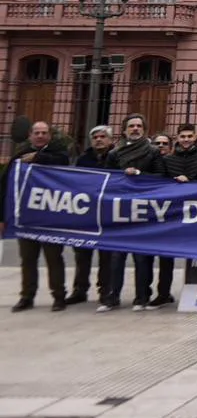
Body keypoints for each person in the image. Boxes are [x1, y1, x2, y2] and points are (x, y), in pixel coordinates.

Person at [3, 121, 71, 313]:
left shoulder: (59, 153)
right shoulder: (19, 157)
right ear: (30, 136)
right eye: (37, 133)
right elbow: (5, 187)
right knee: (28, 259)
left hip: (50, 218)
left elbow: (63, 162)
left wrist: (38, 158)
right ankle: (27, 296)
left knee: (54, 258)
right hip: (27, 219)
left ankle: (59, 296)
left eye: (44, 132)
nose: (40, 136)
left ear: (49, 135)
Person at [103, 113, 165, 312]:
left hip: (144, 211)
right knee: (116, 257)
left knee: (142, 257)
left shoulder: (152, 151)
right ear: (124, 130)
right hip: (120, 211)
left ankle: (142, 297)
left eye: (139, 125)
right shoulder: (114, 153)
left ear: (144, 129)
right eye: (131, 126)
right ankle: (112, 297)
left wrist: (139, 175)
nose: (135, 129)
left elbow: (160, 177)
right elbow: (108, 180)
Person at [153, 122, 197, 309]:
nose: (186, 140)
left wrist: (191, 183)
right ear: (178, 138)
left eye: (190, 136)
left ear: (196, 136)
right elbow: (160, 184)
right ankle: (163, 293)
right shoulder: (168, 160)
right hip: (173, 215)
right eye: (183, 137)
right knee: (165, 256)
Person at [69, 124, 116, 307]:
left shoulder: (116, 157)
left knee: (106, 256)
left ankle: (105, 291)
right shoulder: (83, 159)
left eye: (102, 136)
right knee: (82, 255)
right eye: (95, 137)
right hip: (86, 215)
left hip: (108, 215)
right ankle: (79, 290)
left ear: (110, 140)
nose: (98, 139)